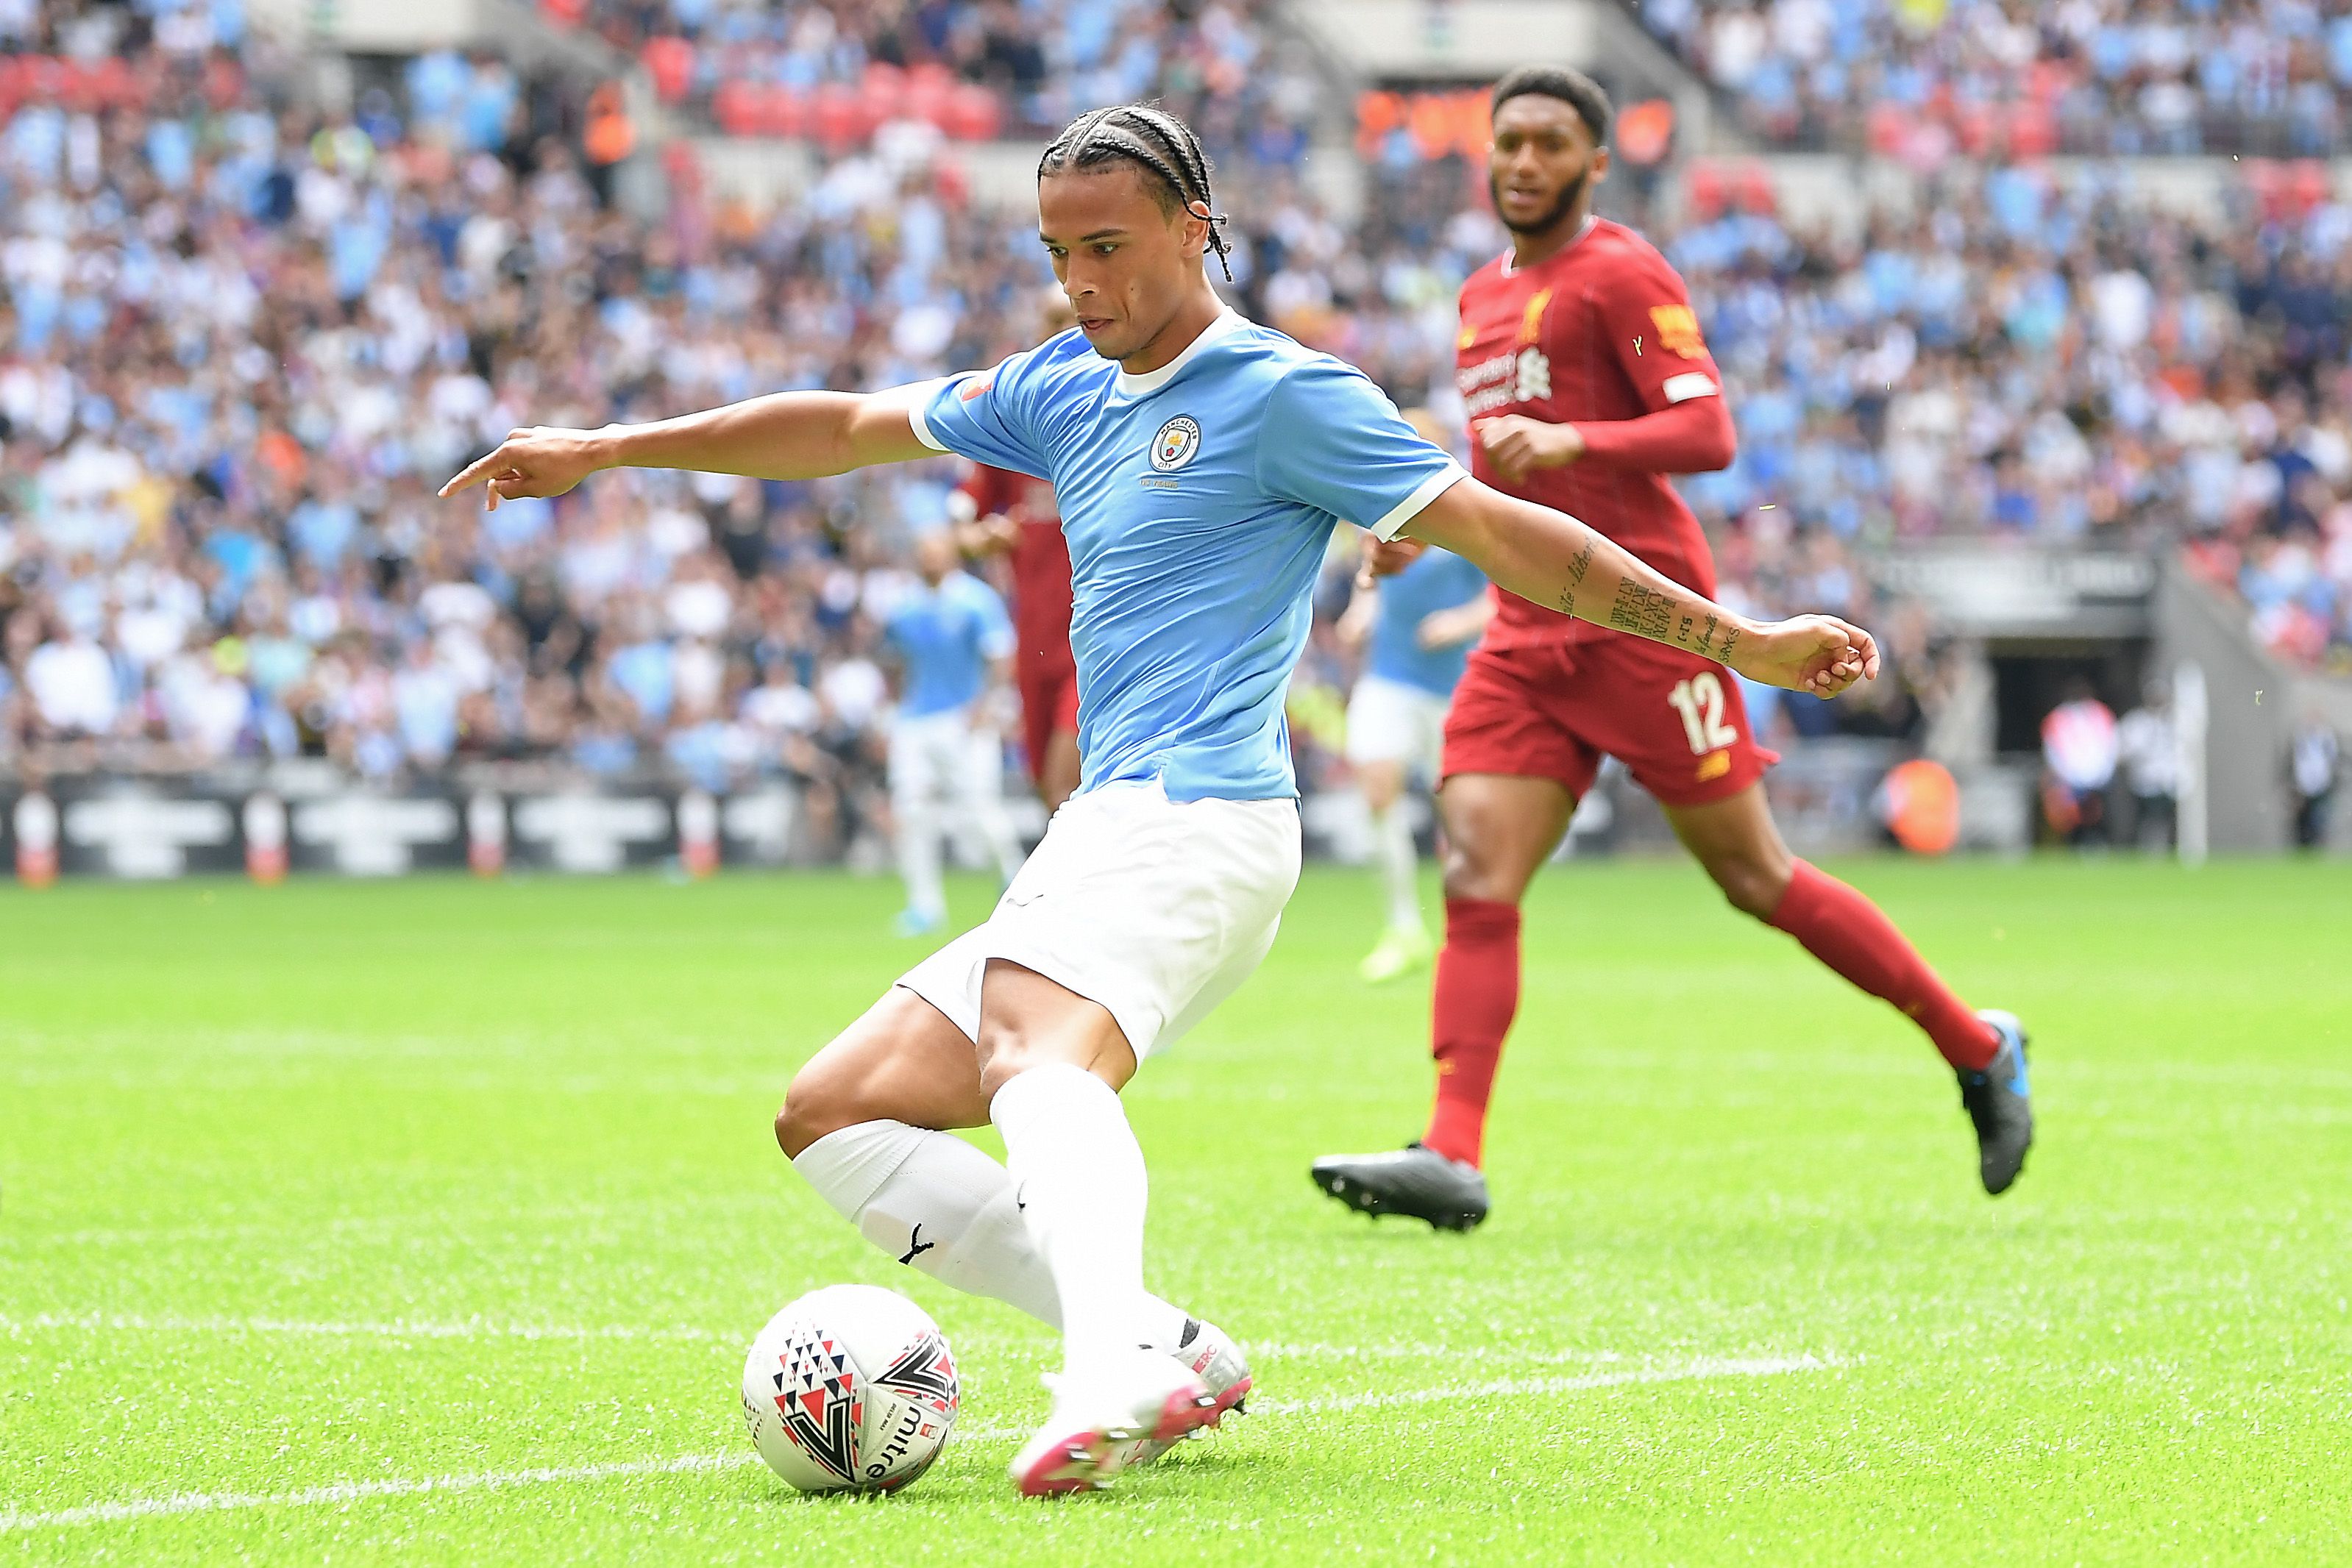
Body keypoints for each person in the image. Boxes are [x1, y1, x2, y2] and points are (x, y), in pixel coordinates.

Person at [443, 101, 1879, 1498]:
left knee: (1033, 1052)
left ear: (1194, 229)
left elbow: (1510, 537)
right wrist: (610, 447)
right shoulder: (1060, 386)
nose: (1079, 282)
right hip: (1112, 822)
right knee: (835, 1113)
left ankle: (1108, 1372)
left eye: (1107, 248)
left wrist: (1737, 640)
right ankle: (1163, 1344)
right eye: (1057, 253)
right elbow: (844, 427)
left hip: (1200, 816)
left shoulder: (1285, 394)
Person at [1310, 67, 2030, 1233]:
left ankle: (1978, 1048)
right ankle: (1451, 1152)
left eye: (1550, 143)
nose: (1524, 162)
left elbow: (1707, 429)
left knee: (1755, 879)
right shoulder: (1479, 296)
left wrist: (1576, 440)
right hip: (1526, 632)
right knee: (1475, 870)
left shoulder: (1622, 273)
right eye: (1509, 141)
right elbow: (1498, 472)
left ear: (1596, 162)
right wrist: (1420, 535)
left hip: (1651, 625)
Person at [1340, 460, 1491, 981]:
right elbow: (1371, 578)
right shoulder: (1379, 512)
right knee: (1377, 786)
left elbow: (1502, 595)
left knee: (1459, 814)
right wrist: (1361, 611)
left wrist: (1459, 622)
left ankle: (1467, 930)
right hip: (1390, 677)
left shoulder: (1464, 513)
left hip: (1456, 687)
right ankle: (1403, 927)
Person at [951, 293, 1083, 813]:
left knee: (1065, 785)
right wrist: (983, 537)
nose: (1066, 332)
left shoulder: (1123, 412)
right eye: (1053, 321)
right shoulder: (1014, 423)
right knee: (1045, 789)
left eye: (1075, 320)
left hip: (1096, 637)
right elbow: (965, 520)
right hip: (1034, 637)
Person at [882, 530, 1026, 937]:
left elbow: (1001, 656)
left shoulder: (976, 600)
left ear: (952, 555)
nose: (929, 559)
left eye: (936, 552)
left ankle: (1016, 882)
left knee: (981, 808)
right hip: (915, 720)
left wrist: (988, 707)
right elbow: (895, 659)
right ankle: (924, 905)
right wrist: (896, 705)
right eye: (923, 552)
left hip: (964, 719)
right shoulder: (904, 604)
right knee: (911, 810)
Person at [2041, 678, 2118, 848]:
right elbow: (2053, 750)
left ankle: (2099, 844)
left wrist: (2103, 773)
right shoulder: (2058, 717)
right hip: (2071, 778)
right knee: (2073, 818)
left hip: (2098, 776)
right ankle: (2075, 845)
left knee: (2098, 815)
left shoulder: (2100, 713)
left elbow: (2110, 745)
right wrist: (2066, 775)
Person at [2115, 679, 2178, 851]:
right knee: (2148, 819)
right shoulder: (2136, 722)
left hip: (2171, 781)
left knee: (2171, 821)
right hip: (2145, 781)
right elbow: (2123, 750)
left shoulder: (2176, 720)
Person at [2288, 713, 2339, 849]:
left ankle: (2318, 847)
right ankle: (2303, 848)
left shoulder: (2327, 739)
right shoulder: (2299, 739)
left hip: (2323, 786)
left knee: (2319, 820)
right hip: (2302, 787)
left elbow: (2334, 760)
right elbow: (2293, 762)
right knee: (2302, 821)